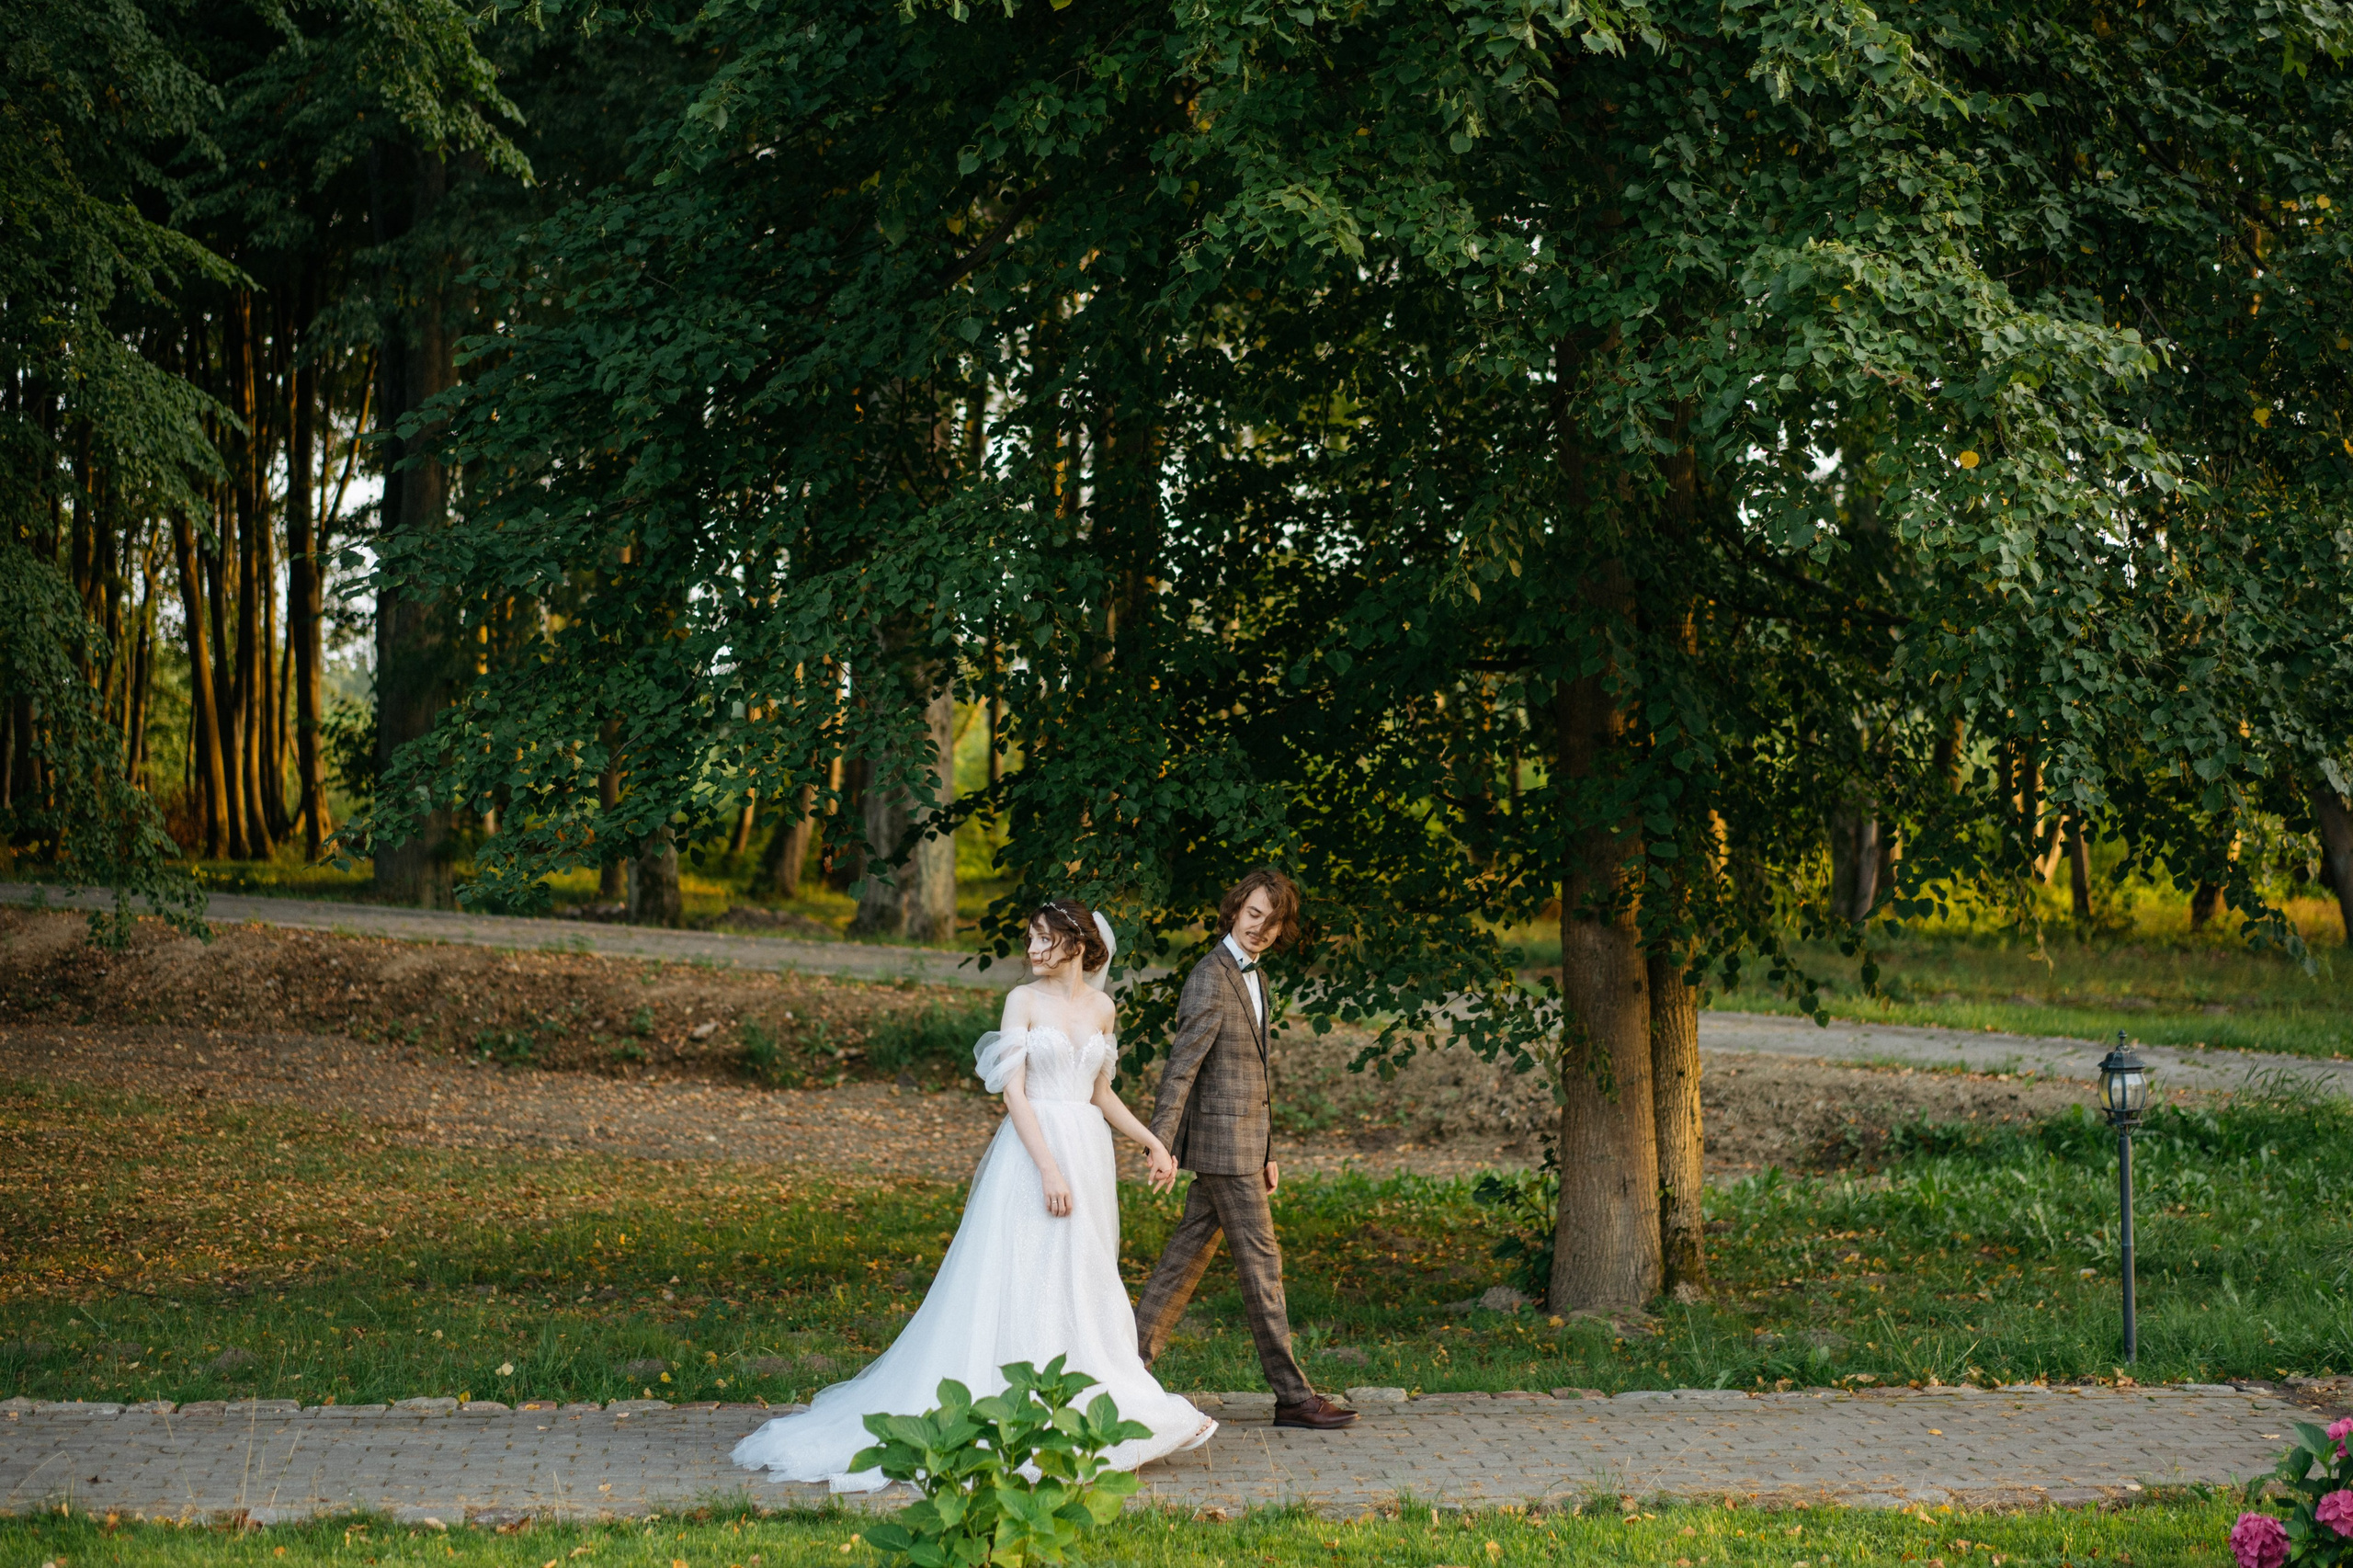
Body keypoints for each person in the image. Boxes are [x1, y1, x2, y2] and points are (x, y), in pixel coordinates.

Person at [731, 899, 1215, 1493]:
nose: (1033, 950)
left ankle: (1083, 1404)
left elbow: (1101, 1094)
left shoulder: (1104, 1009)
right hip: (1034, 1153)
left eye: (1044, 940)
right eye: (1030, 939)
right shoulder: (1022, 1002)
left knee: (1082, 1276)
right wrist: (1048, 1169)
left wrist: (1153, 1143)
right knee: (1021, 1273)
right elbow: (1014, 1094)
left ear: (1078, 946)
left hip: (1088, 1155)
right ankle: (1010, 1409)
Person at [1132, 869, 1358, 1430]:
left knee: (1181, 1263)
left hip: (1243, 1146)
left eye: (1273, 921)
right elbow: (1182, 1066)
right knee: (1263, 1267)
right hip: (1222, 1149)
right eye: (1254, 914)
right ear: (1235, 910)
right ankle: (1293, 1396)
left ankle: (1125, 1368)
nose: (1262, 927)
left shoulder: (1256, 977)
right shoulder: (1211, 976)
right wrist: (1160, 1141)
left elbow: (1254, 1073)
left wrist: (1268, 1149)